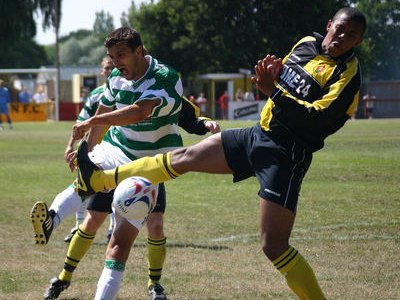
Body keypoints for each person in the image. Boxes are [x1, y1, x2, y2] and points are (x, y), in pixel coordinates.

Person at [75, 7, 366, 299]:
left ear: (358, 42)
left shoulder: (348, 76)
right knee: (184, 157)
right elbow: (282, 86)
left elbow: (318, 120)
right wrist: (273, 76)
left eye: (351, 35)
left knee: (273, 246)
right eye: (339, 28)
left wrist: (273, 91)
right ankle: (102, 180)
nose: (342, 36)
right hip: (258, 134)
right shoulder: (304, 44)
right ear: (329, 24)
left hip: (287, 154)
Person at [41, 27, 220, 300]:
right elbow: (103, 112)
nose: (115, 63)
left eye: (121, 55)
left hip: (151, 165)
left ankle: (154, 283)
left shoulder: (165, 78)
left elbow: (139, 112)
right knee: (86, 186)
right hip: (118, 148)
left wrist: (92, 122)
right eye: (112, 57)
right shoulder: (116, 77)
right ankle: (52, 219)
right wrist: (85, 150)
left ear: (140, 51)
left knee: (120, 244)